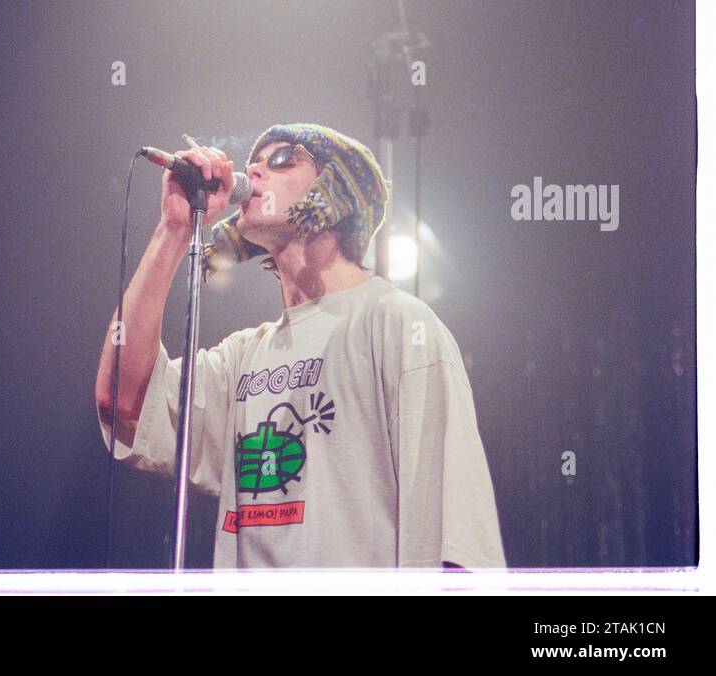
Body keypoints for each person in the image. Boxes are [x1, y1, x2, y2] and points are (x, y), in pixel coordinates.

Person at [94, 123, 506, 571]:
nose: (253, 168)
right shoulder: (243, 357)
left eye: (282, 157)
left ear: (338, 189)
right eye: (255, 158)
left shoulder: (397, 323)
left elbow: (455, 541)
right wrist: (172, 230)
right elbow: (124, 404)